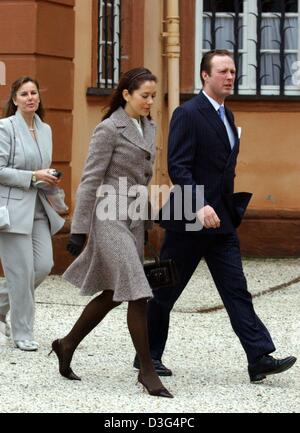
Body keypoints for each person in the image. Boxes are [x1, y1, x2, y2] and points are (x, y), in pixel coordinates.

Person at [133, 50, 297, 383]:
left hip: (222, 222)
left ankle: (259, 357)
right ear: (205, 76)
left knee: (237, 289)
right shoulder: (188, 113)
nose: (230, 76)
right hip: (188, 219)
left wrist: (220, 208)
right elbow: (178, 165)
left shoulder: (228, 114)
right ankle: (147, 355)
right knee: (165, 290)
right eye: (223, 70)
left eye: (233, 70)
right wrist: (199, 205)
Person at [49, 68, 173, 398]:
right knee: (138, 292)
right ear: (126, 94)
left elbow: (143, 182)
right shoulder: (108, 129)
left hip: (132, 219)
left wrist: (147, 225)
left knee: (116, 293)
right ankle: (147, 372)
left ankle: (66, 343)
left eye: (152, 95)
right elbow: (90, 180)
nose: (150, 101)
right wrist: (78, 229)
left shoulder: (149, 127)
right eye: (144, 95)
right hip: (106, 218)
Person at [0, 76, 65, 351]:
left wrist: (48, 178)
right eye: (24, 93)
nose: (30, 98)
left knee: (42, 267)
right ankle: (22, 333)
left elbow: (43, 167)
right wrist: (32, 176)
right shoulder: (5, 128)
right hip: (12, 209)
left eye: (34, 93)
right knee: (21, 272)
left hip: (40, 206)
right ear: (14, 99)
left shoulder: (45, 129)